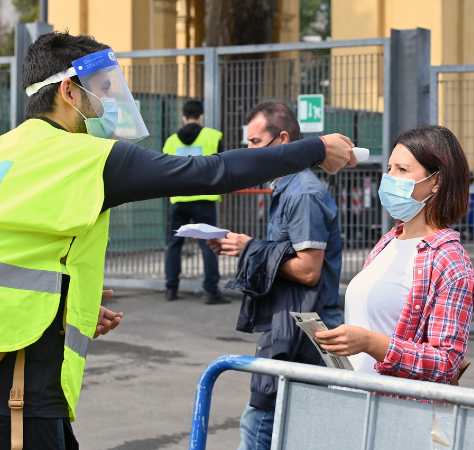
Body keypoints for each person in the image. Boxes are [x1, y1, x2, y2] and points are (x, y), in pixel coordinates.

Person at [0, 32, 355, 450]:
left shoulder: (8, 150)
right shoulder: (87, 158)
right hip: (24, 378)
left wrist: (64, 306)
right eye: (100, 90)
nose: (107, 103)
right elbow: (210, 172)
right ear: (67, 90)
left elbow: (23, 251)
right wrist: (312, 148)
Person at [208, 101, 343, 450]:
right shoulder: (287, 189)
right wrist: (243, 248)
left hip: (300, 336)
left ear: (282, 140)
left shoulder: (304, 193)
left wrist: (250, 247)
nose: (250, 152)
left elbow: (309, 270)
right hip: (286, 329)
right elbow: (281, 255)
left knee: (259, 426)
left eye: (255, 143)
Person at [314, 125, 474, 384]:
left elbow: (446, 362)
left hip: (399, 411)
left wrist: (371, 343)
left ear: (436, 181)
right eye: (389, 169)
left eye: (402, 170)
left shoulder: (449, 261)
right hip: (356, 400)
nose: (389, 178)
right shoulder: (389, 241)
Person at [163, 99, 227, 304]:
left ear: (183, 116)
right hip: (204, 198)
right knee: (208, 245)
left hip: (179, 198)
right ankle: (211, 292)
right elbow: (223, 165)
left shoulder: (171, 141)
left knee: (174, 245)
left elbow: (163, 170)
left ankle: (170, 289)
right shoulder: (213, 136)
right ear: (201, 116)